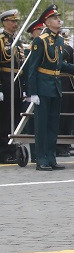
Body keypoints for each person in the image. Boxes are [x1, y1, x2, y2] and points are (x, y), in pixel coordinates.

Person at [23, 5, 74, 170]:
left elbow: (60, 64)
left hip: (55, 87)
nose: (59, 21)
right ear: (47, 22)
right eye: (55, 18)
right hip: (43, 88)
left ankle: (51, 158)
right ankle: (41, 159)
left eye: (59, 18)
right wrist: (33, 92)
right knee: (42, 126)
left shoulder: (58, 40)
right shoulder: (40, 41)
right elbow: (32, 68)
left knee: (53, 125)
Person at [0, 9, 21, 163]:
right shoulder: (1, 39)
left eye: (16, 21)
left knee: (15, 117)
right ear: (4, 22)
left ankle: (13, 149)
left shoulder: (16, 39)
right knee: (5, 118)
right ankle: (4, 151)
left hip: (17, 81)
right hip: (6, 81)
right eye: (12, 21)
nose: (15, 24)